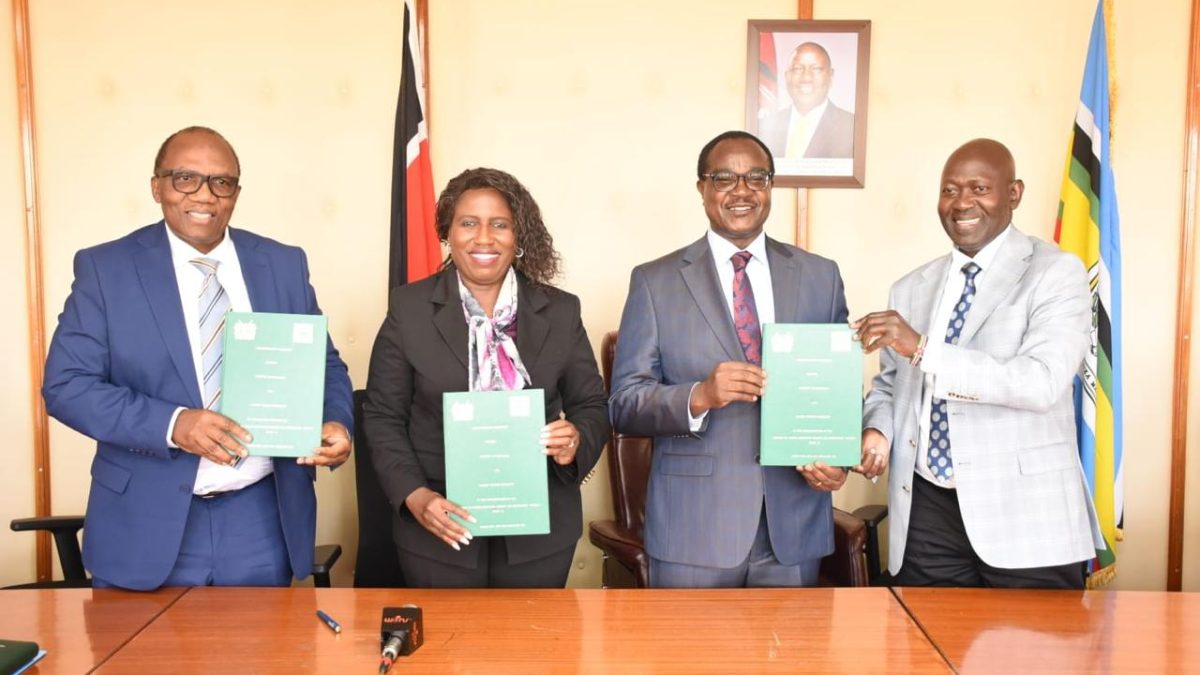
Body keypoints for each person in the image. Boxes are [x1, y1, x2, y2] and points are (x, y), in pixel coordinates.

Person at [42, 126, 354, 591]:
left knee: (260, 662)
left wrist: (335, 422)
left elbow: (323, 364)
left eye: (221, 182)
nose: (205, 195)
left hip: (261, 517)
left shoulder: (283, 263)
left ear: (236, 193)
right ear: (157, 187)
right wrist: (174, 425)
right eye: (185, 178)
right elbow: (66, 385)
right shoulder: (107, 269)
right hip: (145, 520)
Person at [608, 130, 875, 588]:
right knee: (690, 662)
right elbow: (623, 404)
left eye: (756, 177)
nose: (742, 190)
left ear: (770, 186)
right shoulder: (656, 281)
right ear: (702, 188)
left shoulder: (819, 276)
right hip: (694, 531)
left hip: (792, 527)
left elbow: (836, 391)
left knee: (787, 659)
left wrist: (838, 461)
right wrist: (700, 395)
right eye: (724, 178)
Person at [853, 138, 1105, 589]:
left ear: (1014, 193)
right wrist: (877, 430)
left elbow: (1041, 382)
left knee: (1026, 658)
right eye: (950, 190)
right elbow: (892, 386)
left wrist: (924, 348)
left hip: (1025, 514)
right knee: (928, 654)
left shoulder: (1056, 273)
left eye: (978, 188)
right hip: (927, 512)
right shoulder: (910, 287)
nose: (962, 202)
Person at [363, 167, 609, 588]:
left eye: (499, 224)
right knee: (447, 650)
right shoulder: (409, 309)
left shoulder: (561, 310)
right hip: (439, 526)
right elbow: (383, 416)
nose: (483, 238)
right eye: (468, 223)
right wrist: (415, 497)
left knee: (531, 650)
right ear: (447, 232)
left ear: (519, 235)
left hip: (541, 528)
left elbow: (592, 405)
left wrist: (576, 440)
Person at [758, 42, 854, 159]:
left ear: (831, 76)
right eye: (798, 69)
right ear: (787, 76)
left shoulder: (851, 126)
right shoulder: (764, 125)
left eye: (816, 69)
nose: (806, 78)